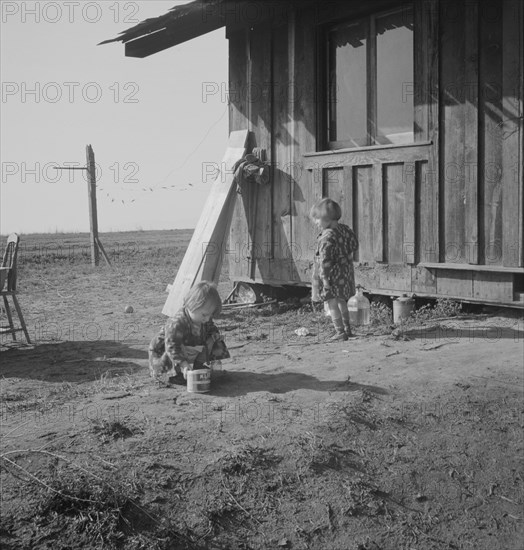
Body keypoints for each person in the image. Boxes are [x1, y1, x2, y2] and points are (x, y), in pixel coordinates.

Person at [148, 281, 230, 384]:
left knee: (213, 339)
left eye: (210, 315)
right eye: (204, 315)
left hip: (189, 346)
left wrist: (215, 336)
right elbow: (172, 347)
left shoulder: (203, 319)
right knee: (173, 353)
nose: (207, 318)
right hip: (167, 351)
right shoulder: (177, 323)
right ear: (192, 305)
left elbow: (211, 328)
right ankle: (174, 374)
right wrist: (183, 364)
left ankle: (197, 366)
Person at [311, 198, 359, 341]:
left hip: (331, 276)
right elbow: (354, 245)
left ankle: (339, 332)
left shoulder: (327, 236)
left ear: (328, 218)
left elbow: (325, 261)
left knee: (331, 302)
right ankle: (347, 329)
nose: (316, 223)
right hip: (345, 272)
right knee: (341, 300)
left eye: (318, 219)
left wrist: (324, 280)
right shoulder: (345, 229)